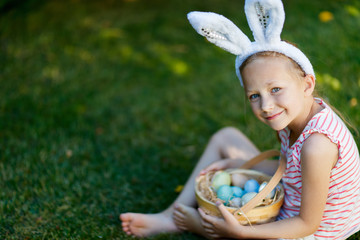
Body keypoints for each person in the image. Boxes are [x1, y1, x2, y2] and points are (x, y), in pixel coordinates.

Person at [120, 0, 360, 239]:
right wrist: (238, 162)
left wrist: (244, 233)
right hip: (295, 200)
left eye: (276, 89)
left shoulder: (318, 145)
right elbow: (290, 170)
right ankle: (171, 216)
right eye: (254, 95)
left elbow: (307, 224)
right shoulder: (299, 116)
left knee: (241, 233)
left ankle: (202, 226)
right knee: (227, 137)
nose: (265, 106)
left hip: (313, 232)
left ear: (307, 84)